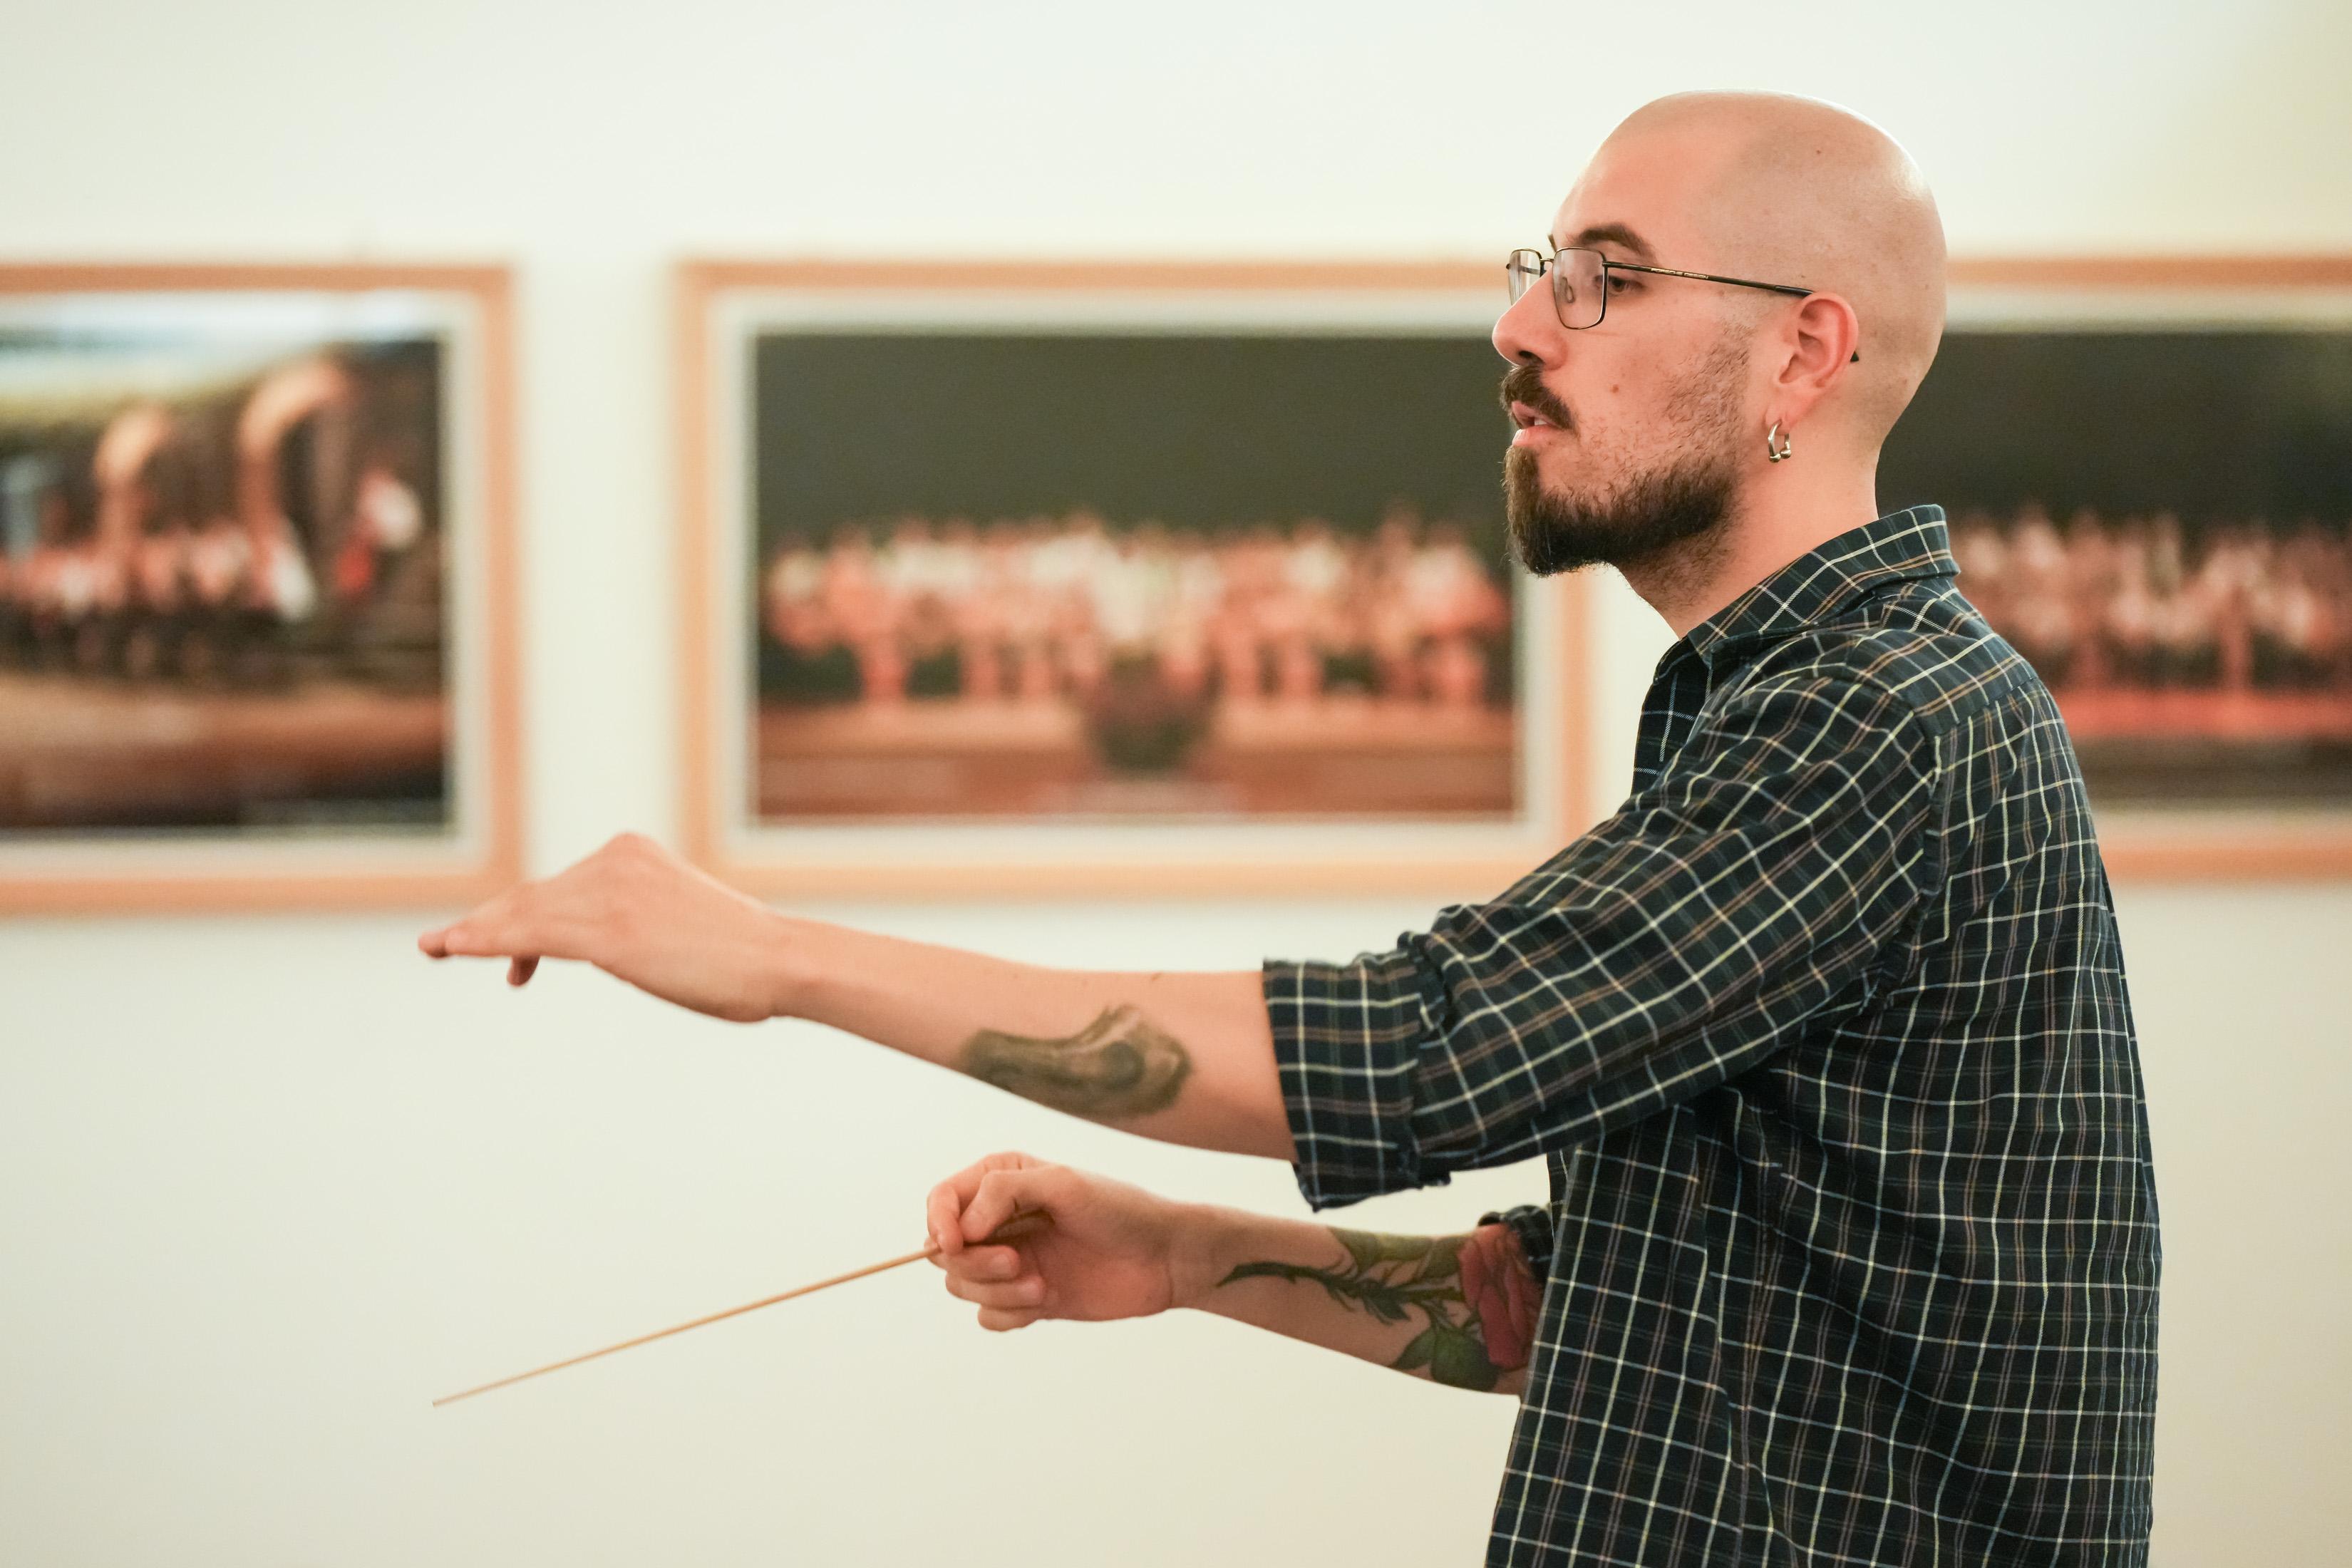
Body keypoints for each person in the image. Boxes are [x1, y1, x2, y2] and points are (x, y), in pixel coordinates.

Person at [420, 90, 2158, 1567]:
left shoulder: (1876, 716)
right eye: (1542, 269)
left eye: (1606, 277)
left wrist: (777, 954)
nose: (1523, 326)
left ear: (1805, 348)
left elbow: (1419, 1050)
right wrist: (1185, 1251)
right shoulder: (1804, 702)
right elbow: (1640, 1303)